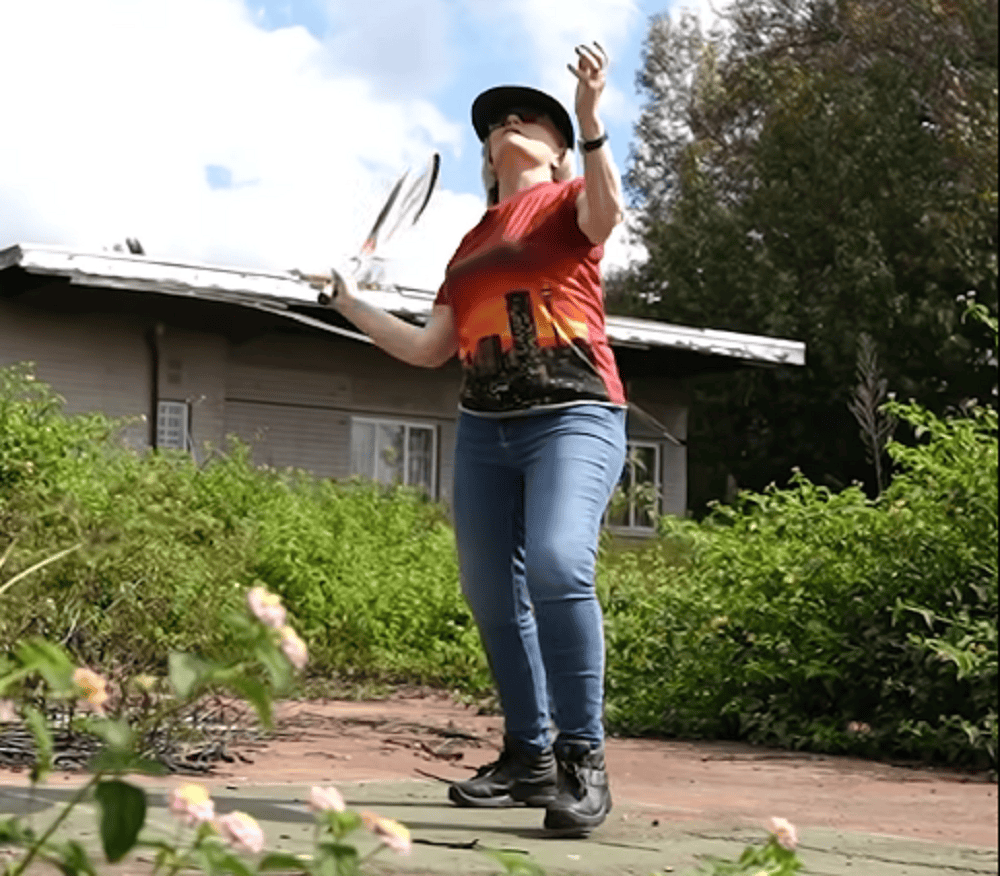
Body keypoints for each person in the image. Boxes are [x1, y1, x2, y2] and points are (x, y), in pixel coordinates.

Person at [323, 42, 627, 837]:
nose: (506, 123)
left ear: (558, 150)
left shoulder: (571, 201)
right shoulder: (468, 246)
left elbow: (607, 215)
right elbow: (430, 349)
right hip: (486, 429)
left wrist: (591, 117)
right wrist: (351, 304)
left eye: (528, 117)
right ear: (488, 159)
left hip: (574, 415)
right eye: (495, 124)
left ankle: (582, 759)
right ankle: (528, 757)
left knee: (558, 564)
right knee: (490, 593)